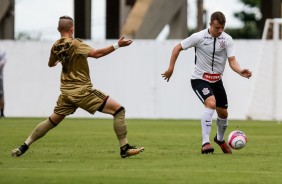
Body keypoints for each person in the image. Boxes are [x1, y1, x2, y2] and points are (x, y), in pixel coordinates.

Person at [11, 15, 144, 158]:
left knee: (51, 121)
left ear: (58, 29)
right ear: (72, 28)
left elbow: (50, 64)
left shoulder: (56, 46)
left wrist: (59, 61)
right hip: (82, 91)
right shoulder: (76, 44)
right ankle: (124, 148)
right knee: (119, 111)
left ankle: (24, 145)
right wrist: (117, 45)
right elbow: (96, 54)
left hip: (66, 93)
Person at [162, 11, 252, 154]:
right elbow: (177, 48)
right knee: (210, 103)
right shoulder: (198, 37)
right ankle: (205, 143)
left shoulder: (227, 39)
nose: (220, 31)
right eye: (217, 28)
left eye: (222, 28)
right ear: (210, 24)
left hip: (217, 80)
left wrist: (240, 71)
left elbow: (232, 61)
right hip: (199, 79)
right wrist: (170, 68)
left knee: (223, 113)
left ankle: (220, 139)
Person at [0, 49, 7, 118]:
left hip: (0, 77)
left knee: (1, 95)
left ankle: (2, 113)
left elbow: (3, 62)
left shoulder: (1, 52)